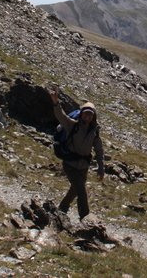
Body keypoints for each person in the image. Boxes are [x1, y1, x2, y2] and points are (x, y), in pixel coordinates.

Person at [48, 85, 105, 220]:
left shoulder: (94, 132)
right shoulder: (72, 125)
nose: (88, 116)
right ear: (81, 114)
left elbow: (99, 149)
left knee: (75, 189)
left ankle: (62, 209)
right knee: (81, 190)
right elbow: (60, 116)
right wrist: (55, 102)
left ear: (93, 116)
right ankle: (85, 218)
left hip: (84, 166)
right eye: (86, 113)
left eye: (91, 114)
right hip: (70, 162)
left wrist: (101, 167)